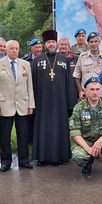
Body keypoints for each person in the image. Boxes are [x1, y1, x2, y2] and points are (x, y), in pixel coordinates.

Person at [32, 30, 76, 165]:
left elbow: (69, 83)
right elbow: (32, 83)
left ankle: (60, 156)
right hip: (42, 102)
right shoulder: (37, 61)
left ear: (56, 43)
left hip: (60, 102)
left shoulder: (64, 60)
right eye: (48, 42)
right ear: (45, 44)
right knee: (43, 128)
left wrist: (70, 104)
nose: (51, 44)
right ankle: (42, 157)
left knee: (59, 128)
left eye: (53, 42)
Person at [0, 40, 35, 171]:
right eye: (12, 49)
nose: (14, 51)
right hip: (5, 105)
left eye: (17, 48)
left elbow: (29, 86)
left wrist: (30, 104)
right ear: (6, 50)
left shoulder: (25, 64)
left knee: (23, 134)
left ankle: (24, 160)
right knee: (5, 135)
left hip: (22, 104)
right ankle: (5, 161)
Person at [69, 77, 102, 178]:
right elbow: (74, 131)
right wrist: (88, 149)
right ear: (85, 90)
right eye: (92, 89)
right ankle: (87, 163)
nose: (95, 92)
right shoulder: (79, 107)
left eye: (97, 89)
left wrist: (101, 141)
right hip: (86, 141)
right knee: (79, 156)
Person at [73, 32, 102, 100]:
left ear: (99, 42)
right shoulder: (82, 57)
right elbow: (76, 75)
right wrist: (80, 90)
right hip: (86, 94)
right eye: (91, 42)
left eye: (95, 41)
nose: (93, 44)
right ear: (88, 43)